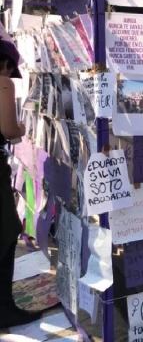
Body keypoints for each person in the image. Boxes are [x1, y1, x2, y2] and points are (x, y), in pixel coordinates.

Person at [0, 40, 42, 329]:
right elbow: (9, 130)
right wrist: (22, 129)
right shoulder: (3, 84)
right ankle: (4, 310)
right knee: (7, 231)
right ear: (6, 65)